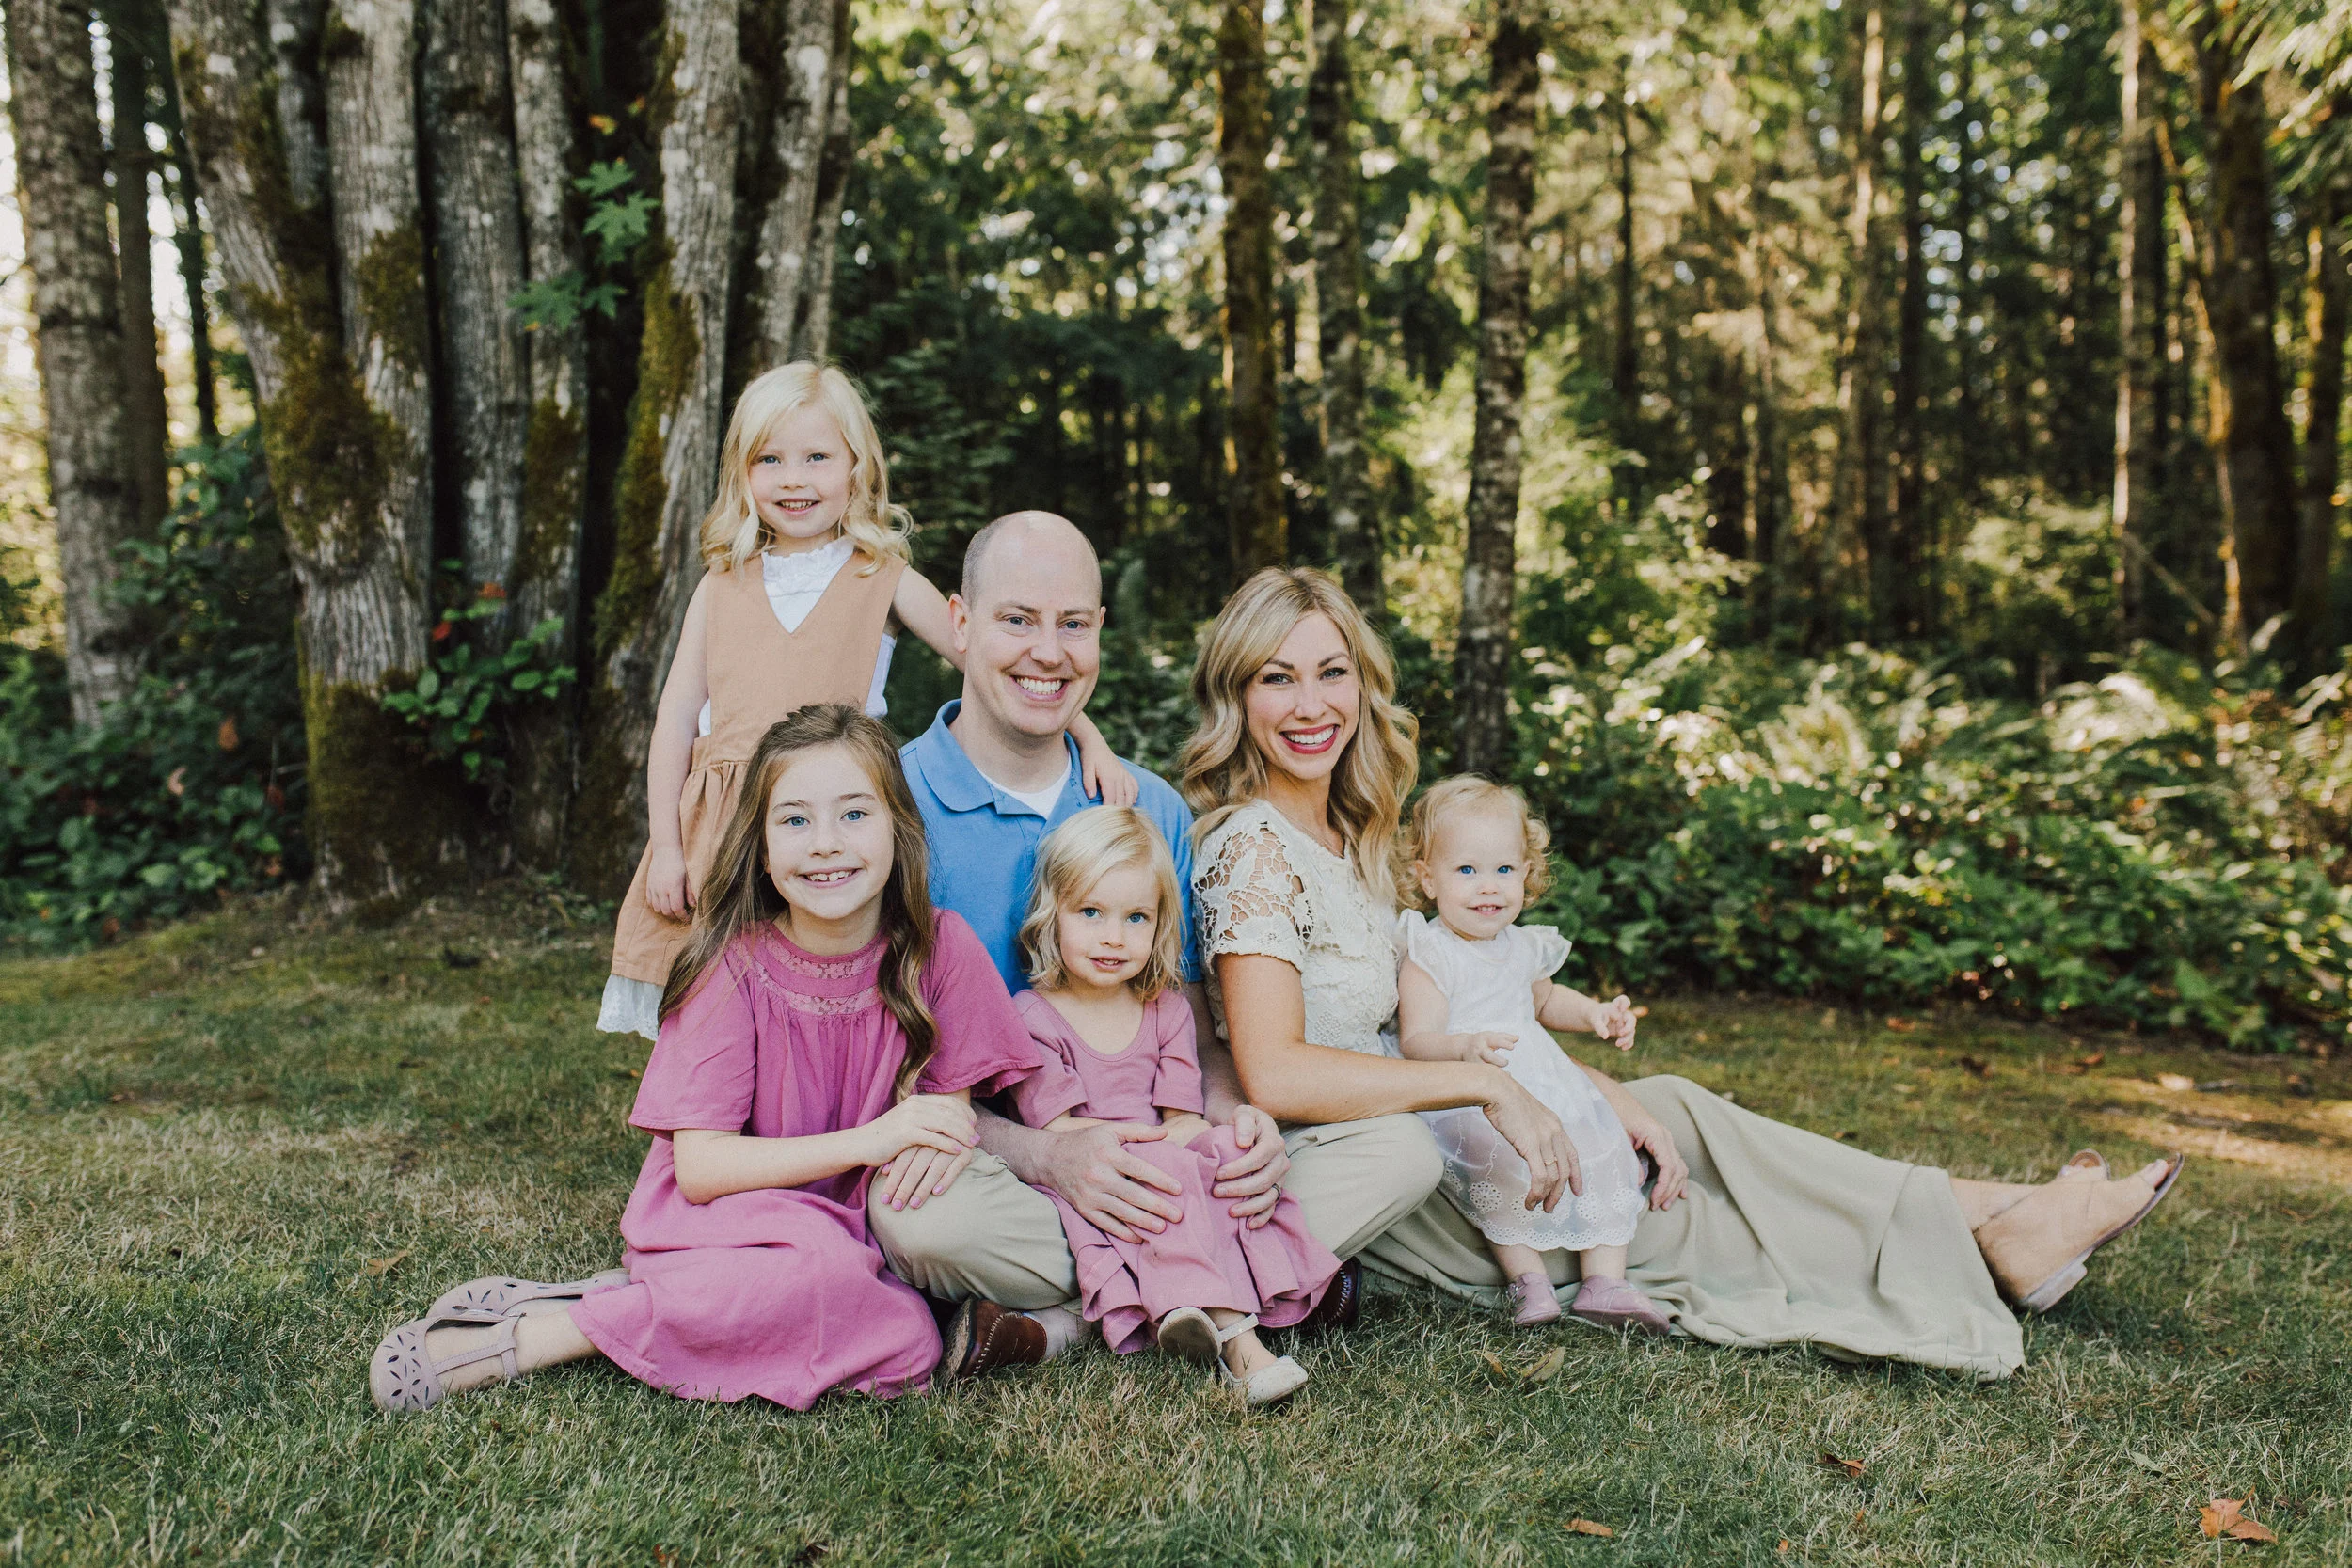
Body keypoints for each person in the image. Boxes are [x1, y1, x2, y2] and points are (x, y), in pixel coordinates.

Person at [1185, 566, 2185, 1380]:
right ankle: (1989, 1230)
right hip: (1380, 1169)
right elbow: (1276, 1071)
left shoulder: (1354, 833)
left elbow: (1443, 1010)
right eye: (1275, 678)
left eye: (1330, 672)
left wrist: (1578, 1083)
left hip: (1430, 1112)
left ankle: (1988, 1211)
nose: (1309, 704)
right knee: (1665, 1208)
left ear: (1363, 681)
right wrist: (1494, 1084)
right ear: (1237, 694)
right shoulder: (1253, 851)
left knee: (1666, 1109)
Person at [869, 512, 1433, 1376]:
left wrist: (1235, 1120)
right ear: (958, 624)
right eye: (1018, 619)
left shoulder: (1151, 809)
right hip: (994, 1157)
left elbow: (1195, 1027)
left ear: (1101, 632)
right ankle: (1240, 1280)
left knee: (1399, 1150)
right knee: (919, 1217)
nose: (1048, 651)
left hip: (1159, 1155)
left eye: (1075, 624)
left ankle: (1071, 1312)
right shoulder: (889, 804)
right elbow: (876, 1049)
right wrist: (1043, 1152)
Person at [371, 705, 1039, 1412]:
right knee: (837, 1283)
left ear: (898, 828)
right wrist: (870, 1139)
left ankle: (635, 1300)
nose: (825, 845)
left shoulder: (941, 946)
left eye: (853, 814)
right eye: (794, 821)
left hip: (860, 1231)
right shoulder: (735, 966)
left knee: (907, 1339)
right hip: (726, 1211)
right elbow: (702, 1167)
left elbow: (952, 1102)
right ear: (760, 847)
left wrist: (942, 1124)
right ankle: (552, 1335)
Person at [597, 365, 1133, 1041]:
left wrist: (1086, 732)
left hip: (830, 821)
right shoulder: (721, 584)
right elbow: (674, 723)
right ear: (743, 472)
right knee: (712, 985)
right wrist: (668, 846)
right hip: (722, 821)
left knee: (821, 976)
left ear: (857, 467)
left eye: (817, 457)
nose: (794, 479)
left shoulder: (881, 573)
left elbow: (991, 659)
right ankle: (704, 1124)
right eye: (771, 460)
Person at [1009, 808, 1337, 1406]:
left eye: (1136, 917)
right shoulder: (1031, 1017)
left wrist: (1223, 1138)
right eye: (1090, 913)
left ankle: (1205, 1300)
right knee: (1177, 1170)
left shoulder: (1164, 1008)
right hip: (1097, 1177)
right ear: (1050, 913)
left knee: (1223, 1150)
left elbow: (1184, 1116)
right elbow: (1062, 1133)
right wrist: (1169, 1153)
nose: (1114, 936)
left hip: (1162, 1157)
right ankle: (1241, 1344)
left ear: (1160, 926)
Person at [1394, 775, 1661, 1333]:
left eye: (1504, 870)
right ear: (1427, 877)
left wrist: (1592, 1014)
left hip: (1544, 1078)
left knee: (1603, 1145)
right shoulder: (1430, 950)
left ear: (1526, 874)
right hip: (1469, 1087)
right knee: (1502, 1163)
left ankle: (1605, 1282)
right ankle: (1528, 1282)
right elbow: (1415, 1042)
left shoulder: (1521, 944)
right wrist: (1464, 1047)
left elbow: (1544, 998)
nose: (1488, 887)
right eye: (1466, 870)